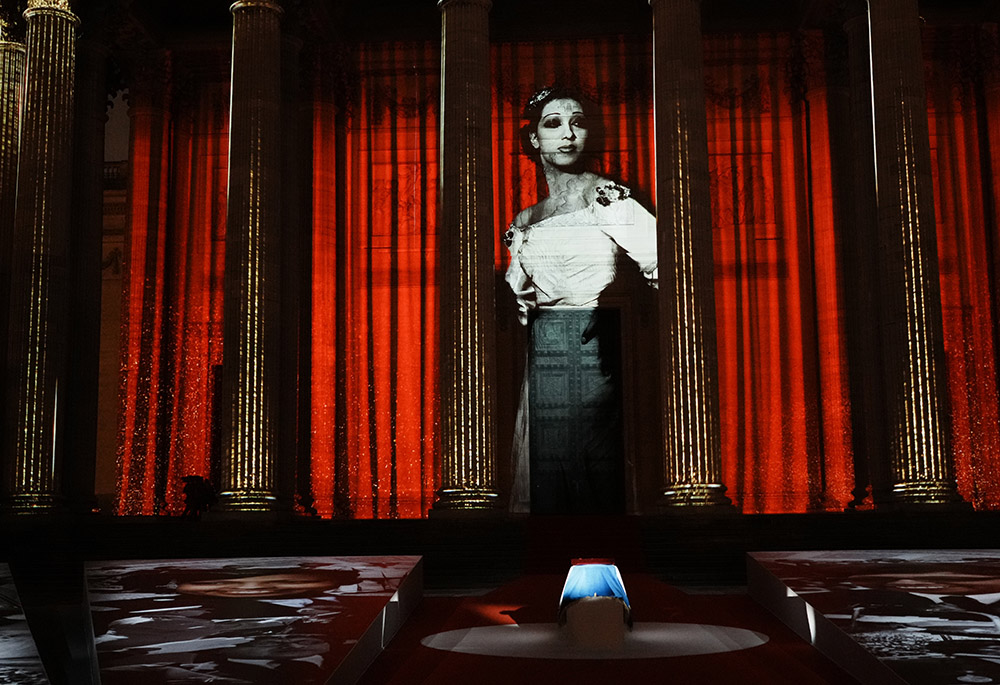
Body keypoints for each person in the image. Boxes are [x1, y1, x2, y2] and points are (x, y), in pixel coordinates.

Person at [504, 85, 657, 514]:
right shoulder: (526, 220)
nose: (568, 134)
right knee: (550, 464)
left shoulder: (605, 196)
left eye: (578, 123)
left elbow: (665, 262)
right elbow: (521, 297)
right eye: (553, 124)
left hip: (598, 350)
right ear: (534, 139)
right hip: (545, 353)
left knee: (595, 459)